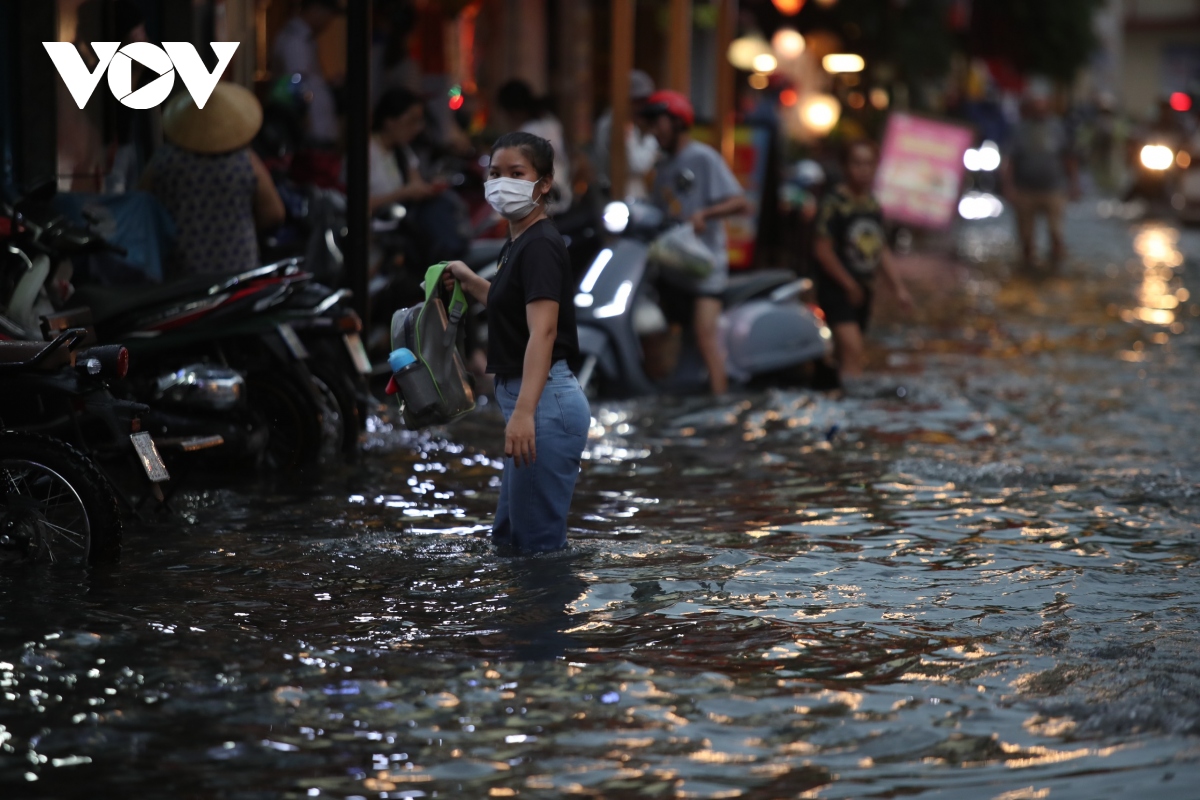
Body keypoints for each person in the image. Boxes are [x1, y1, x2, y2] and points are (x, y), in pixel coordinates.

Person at [442, 132, 589, 554]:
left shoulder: (540, 245)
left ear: (544, 183)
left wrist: (524, 413)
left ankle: (543, 620)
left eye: (516, 173)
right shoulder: (520, 240)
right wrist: (471, 281)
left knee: (536, 550)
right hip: (534, 401)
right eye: (495, 173)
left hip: (543, 403)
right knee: (510, 541)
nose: (502, 182)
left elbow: (543, 331)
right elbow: (516, 310)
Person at [642, 90, 750, 396]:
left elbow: (739, 201)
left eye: (658, 122)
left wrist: (705, 213)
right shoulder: (663, 166)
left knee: (705, 337)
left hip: (705, 268)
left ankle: (721, 403)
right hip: (672, 269)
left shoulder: (703, 157)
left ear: (677, 122)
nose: (654, 130)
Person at [140, 83, 285, 277]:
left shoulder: (165, 160)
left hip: (179, 276)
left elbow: (140, 207)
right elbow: (274, 213)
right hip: (237, 272)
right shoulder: (245, 162)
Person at [812, 139, 912, 383]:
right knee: (853, 350)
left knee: (846, 352)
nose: (863, 170)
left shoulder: (871, 204)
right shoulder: (833, 204)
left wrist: (898, 288)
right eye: (857, 164)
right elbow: (822, 250)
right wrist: (848, 285)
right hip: (837, 289)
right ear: (845, 167)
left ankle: (834, 392)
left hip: (864, 290)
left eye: (868, 164)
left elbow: (880, 249)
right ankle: (850, 405)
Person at [1001, 85, 1081, 272]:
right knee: (1026, 238)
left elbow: (1068, 157)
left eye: (1043, 104)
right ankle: (1027, 268)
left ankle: (1057, 268)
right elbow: (1009, 160)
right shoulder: (1019, 130)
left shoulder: (1058, 128)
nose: (1040, 109)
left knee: (1056, 233)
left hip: (1053, 189)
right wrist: (1008, 186)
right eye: (1036, 105)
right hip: (1025, 190)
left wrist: (1074, 184)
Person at [496, 80, 573, 215]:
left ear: (513, 111)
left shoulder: (526, 134)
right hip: (562, 192)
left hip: (546, 201)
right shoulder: (551, 122)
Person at [272, 0, 341, 146]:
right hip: (310, 135)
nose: (328, 22)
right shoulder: (295, 40)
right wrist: (303, 120)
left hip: (317, 130)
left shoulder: (306, 39)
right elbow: (296, 81)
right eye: (328, 15)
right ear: (316, 9)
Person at [592, 70, 659, 199]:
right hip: (622, 195)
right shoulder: (618, 123)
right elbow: (638, 165)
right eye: (639, 101)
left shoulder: (611, 120)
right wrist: (653, 136)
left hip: (615, 192)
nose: (643, 107)